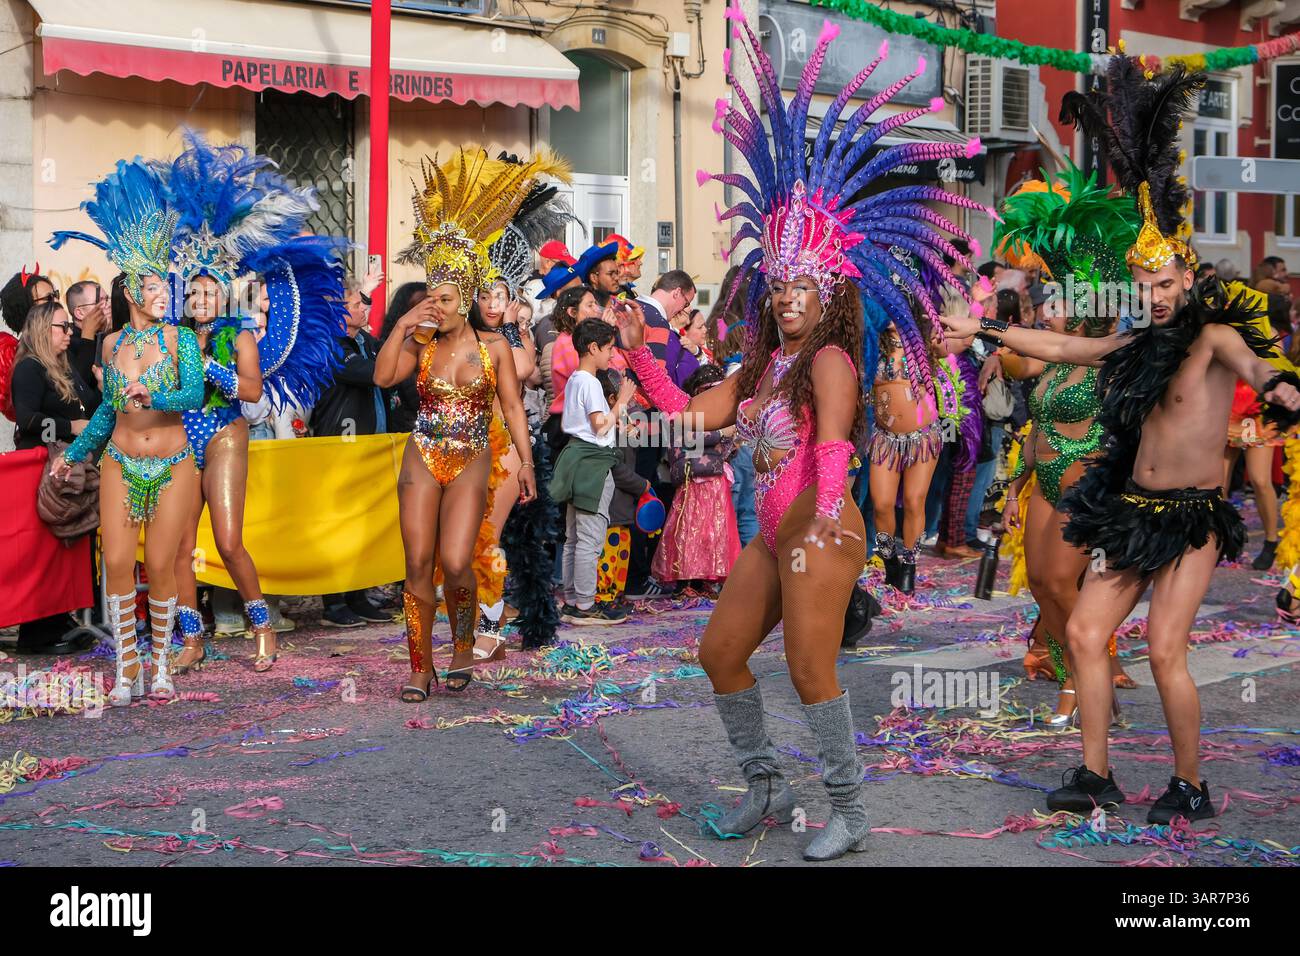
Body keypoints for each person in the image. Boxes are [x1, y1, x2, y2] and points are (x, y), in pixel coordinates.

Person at [624, 6, 990, 860]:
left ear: (828, 295)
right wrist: (641, 357)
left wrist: (826, 507)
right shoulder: (759, 371)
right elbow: (694, 414)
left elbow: (834, 441)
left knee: (810, 670)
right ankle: (763, 785)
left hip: (822, 527)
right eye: (778, 285)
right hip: (775, 531)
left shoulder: (828, 360)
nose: (787, 297)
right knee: (720, 651)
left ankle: (850, 811)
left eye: (802, 286)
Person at [945, 58, 1300, 822]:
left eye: (1166, 283)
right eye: (1144, 287)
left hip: (1193, 519)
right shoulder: (1134, 337)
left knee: (1167, 649)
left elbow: (1252, 360)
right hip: (1134, 509)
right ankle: (1095, 774)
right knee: (1082, 628)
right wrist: (985, 326)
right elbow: (1071, 350)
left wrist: (1280, 387)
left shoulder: (1207, 334)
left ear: (1187, 275)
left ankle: (1190, 785)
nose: (1156, 296)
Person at [160, 132, 348, 672]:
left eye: (209, 291)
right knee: (176, 548)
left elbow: (252, 390)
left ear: (223, 293)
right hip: (180, 436)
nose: (200, 300)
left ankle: (262, 624)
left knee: (227, 539)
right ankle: (192, 639)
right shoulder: (174, 335)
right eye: (192, 292)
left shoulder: (238, 335)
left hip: (223, 433)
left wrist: (207, 365)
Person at [376, 146, 540, 699]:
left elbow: (514, 409)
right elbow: (380, 378)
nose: (437, 306)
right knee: (417, 560)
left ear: (465, 296)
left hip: (472, 453)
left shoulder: (493, 346)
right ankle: (420, 668)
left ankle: (463, 646)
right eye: (432, 297)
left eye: (446, 299)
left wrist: (527, 463)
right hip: (422, 451)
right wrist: (402, 324)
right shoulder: (419, 342)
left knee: (454, 560)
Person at [49, 158, 205, 706]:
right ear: (133, 289)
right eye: (155, 283)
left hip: (171, 463)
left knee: (161, 563)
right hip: (119, 459)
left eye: (167, 282)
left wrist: (152, 395)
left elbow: (192, 397)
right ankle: (127, 664)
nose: (164, 291)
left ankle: (160, 663)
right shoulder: (111, 345)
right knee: (115, 560)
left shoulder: (181, 340)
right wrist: (75, 453)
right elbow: (107, 414)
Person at [993, 161, 1142, 722]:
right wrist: (1014, 488)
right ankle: (1074, 682)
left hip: (1088, 476)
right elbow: (1035, 430)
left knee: (1062, 580)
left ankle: (1089, 680)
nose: (1046, 309)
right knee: (1040, 583)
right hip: (1048, 476)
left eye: (1057, 302)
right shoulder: (1046, 363)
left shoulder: (1106, 355)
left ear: (1086, 308)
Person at [10, 301, 102, 655]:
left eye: (70, 328)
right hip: (41, 471)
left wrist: (100, 389)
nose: (70, 333)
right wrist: (68, 427)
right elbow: (27, 418)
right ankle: (37, 633)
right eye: (63, 327)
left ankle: (61, 618)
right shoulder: (29, 369)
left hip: (68, 470)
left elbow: (87, 409)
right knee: (43, 551)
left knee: (66, 547)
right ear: (42, 330)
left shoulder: (63, 366)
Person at [551, 318, 635, 624]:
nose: (612, 355)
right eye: (609, 348)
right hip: (592, 462)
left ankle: (574, 600)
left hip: (577, 457)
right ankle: (586, 605)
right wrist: (622, 402)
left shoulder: (576, 379)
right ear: (593, 347)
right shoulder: (588, 381)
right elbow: (600, 426)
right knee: (589, 537)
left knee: (574, 536)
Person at [651, 364, 741, 595]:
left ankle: (706, 577)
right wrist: (723, 433)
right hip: (693, 478)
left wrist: (729, 439)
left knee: (713, 532)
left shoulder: (716, 416)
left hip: (714, 478)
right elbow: (692, 437)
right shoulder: (685, 414)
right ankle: (686, 579)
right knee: (688, 530)